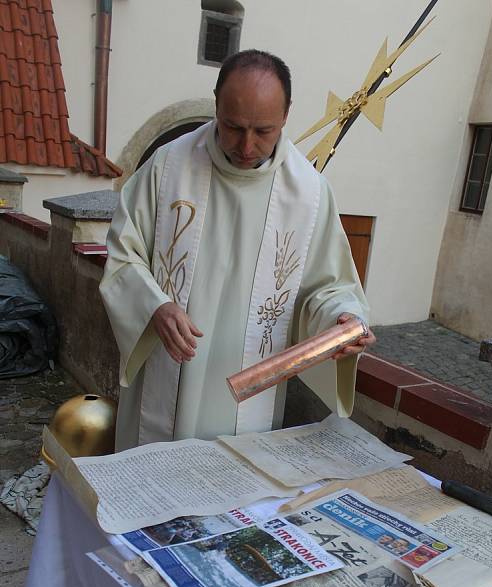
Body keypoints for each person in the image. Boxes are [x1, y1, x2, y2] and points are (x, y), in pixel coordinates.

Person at [100, 50, 375, 451]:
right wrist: (154, 305)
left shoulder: (309, 194)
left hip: (249, 395)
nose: (247, 145)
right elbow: (123, 254)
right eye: (233, 127)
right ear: (217, 105)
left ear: (286, 115)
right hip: (167, 372)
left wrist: (342, 320)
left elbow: (327, 287)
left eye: (262, 131)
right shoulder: (168, 168)